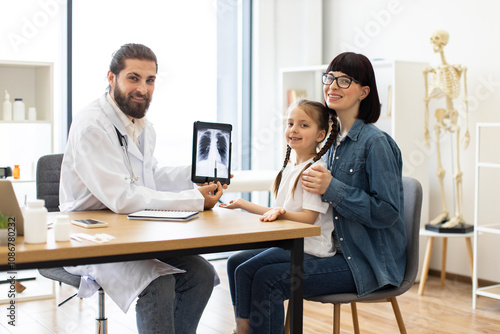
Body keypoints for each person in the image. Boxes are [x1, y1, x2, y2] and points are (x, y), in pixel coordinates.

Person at [225, 52, 407, 334]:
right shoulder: (332, 145)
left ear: (364, 91)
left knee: (268, 280)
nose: (332, 86)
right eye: (329, 78)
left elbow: (387, 213)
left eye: (344, 80)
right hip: (328, 249)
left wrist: (333, 188)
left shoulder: (377, 144)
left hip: (361, 261)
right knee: (237, 261)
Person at [59, 43, 224, 334]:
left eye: (150, 80)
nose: (143, 89)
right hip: (92, 235)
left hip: (134, 230)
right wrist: (193, 200)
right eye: (133, 78)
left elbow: (149, 177)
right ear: (111, 78)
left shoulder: (142, 125)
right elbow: (123, 197)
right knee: (157, 282)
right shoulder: (92, 126)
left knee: (200, 273)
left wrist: (196, 177)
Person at [220, 99, 338, 333]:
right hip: (291, 245)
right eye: (290, 123)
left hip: (311, 248)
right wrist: (243, 204)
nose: (293, 129)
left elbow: (308, 219)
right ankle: (242, 327)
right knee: (235, 261)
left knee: (249, 271)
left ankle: (242, 329)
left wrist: (280, 216)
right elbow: (279, 213)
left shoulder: (314, 170)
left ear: (320, 134)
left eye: (303, 125)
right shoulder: (290, 167)